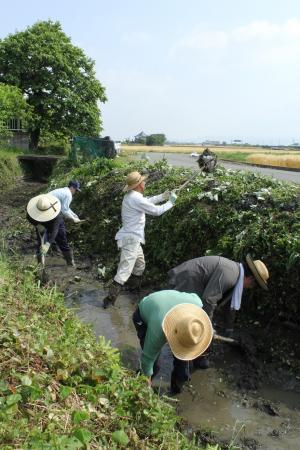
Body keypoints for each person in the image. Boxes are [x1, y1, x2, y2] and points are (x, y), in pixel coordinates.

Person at [168, 255, 269, 367]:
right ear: (250, 279)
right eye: (253, 285)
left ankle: (198, 357)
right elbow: (208, 300)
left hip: (195, 286)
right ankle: (183, 360)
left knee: (200, 323)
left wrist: (228, 329)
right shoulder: (230, 275)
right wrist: (208, 327)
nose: (250, 288)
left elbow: (230, 306)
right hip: (186, 282)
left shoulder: (235, 274)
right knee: (188, 323)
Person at [103, 171, 178, 308]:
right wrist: (171, 203)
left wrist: (163, 196)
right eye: (143, 181)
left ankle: (133, 290)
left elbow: (147, 201)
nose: (145, 183)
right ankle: (108, 300)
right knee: (124, 271)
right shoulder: (135, 198)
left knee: (140, 265)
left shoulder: (131, 196)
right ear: (138, 185)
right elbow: (156, 211)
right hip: (131, 240)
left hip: (134, 239)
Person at [132, 290, 213, 393]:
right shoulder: (158, 329)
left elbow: (194, 296)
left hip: (170, 309)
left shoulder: (197, 308)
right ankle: (137, 385)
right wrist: (146, 385)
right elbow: (147, 359)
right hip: (145, 313)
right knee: (155, 364)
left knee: (183, 369)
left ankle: (176, 389)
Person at [47, 180, 83, 266]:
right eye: (76, 190)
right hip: (51, 213)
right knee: (61, 233)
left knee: (49, 230)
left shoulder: (62, 191)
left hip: (44, 211)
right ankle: (69, 261)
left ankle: (52, 246)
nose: (76, 192)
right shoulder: (68, 195)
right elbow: (64, 210)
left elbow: (65, 208)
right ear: (72, 188)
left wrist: (74, 215)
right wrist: (73, 219)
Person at [27, 193, 64, 263]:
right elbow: (28, 217)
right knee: (40, 243)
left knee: (50, 240)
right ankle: (40, 264)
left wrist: (47, 244)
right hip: (39, 223)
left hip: (51, 222)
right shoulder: (31, 208)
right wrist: (37, 225)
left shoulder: (57, 215)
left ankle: (54, 247)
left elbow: (55, 230)